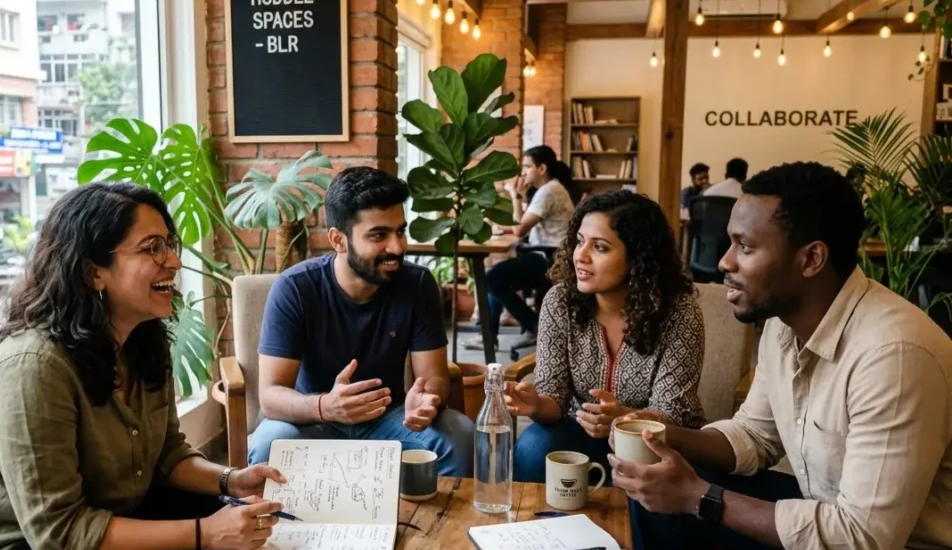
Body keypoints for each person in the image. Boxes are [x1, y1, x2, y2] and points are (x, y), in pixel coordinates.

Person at [609, 162, 952, 550]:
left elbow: (866, 542)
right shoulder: (785, 326)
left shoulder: (895, 353)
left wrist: (700, 497)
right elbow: (755, 435)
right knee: (655, 495)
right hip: (832, 513)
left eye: (744, 247)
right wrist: (668, 436)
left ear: (810, 259)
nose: (724, 262)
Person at [0, 183, 289, 550]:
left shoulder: (143, 344)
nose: (173, 261)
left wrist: (231, 480)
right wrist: (205, 532)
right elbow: (60, 533)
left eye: (169, 245)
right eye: (152, 248)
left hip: (97, 518)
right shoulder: (33, 366)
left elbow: (166, 455)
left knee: (253, 538)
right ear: (92, 272)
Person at [248, 167, 474, 476]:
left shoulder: (418, 284)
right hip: (314, 421)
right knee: (268, 445)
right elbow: (271, 395)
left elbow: (433, 376)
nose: (397, 247)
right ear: (338, 240)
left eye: (400, 231)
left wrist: (426, 399)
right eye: (379, 235)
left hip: (391, 420)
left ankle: (440, 524)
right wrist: (326, 407)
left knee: (460, 438)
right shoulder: (295, 289)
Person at [507, 190, 706, 483]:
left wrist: (623, 417)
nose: (581, 256)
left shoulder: (678, 312)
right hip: (577, 433)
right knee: (532, 448)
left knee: (647, 466)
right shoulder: (560, 302)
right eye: (579, 242)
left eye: (600, 247)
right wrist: (537, 404)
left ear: (638, 258)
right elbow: (555, 398)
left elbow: (672, 413)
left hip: (655, 442)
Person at [463, 145, 577, 353]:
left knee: (492, 279)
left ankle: (533, 325)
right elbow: (522, 223)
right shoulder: (549, 189)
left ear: (541, 168)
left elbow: (519, 229)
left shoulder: (549, 191)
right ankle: (489, 336)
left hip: (550, 258)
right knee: (495, 278)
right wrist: (520, 199)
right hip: (547, 253)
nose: (522, 172)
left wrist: (515, 195)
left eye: (527, 166)